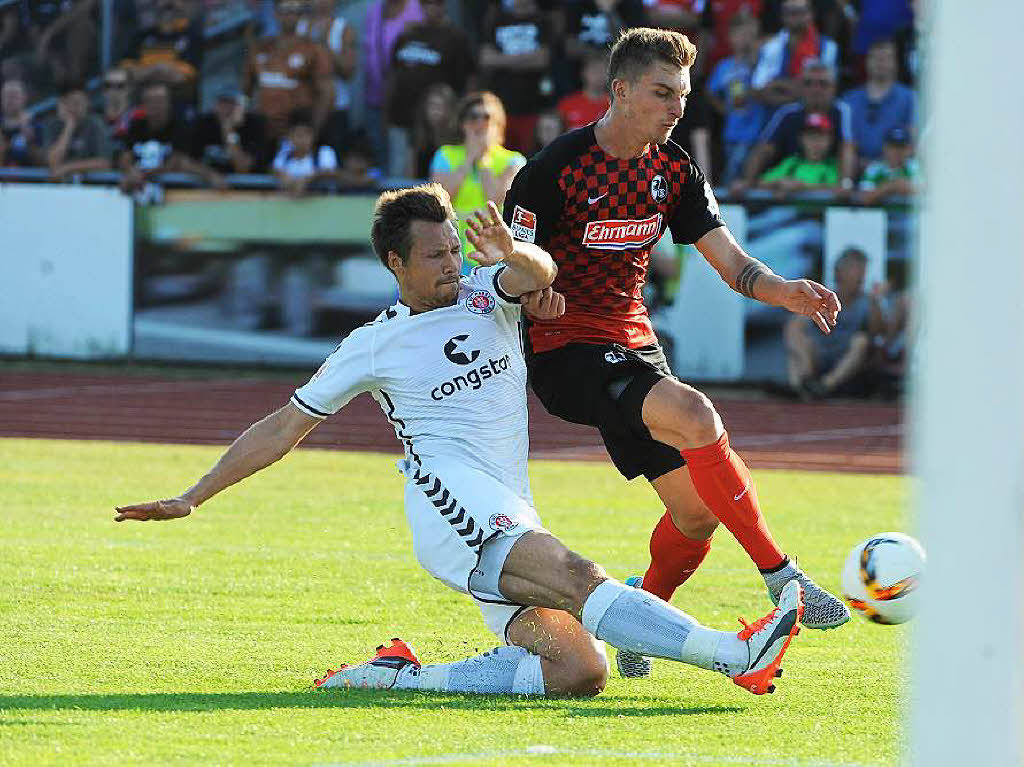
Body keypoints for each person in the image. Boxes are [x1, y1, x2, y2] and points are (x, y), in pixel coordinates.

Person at [113, 183, 805, 699]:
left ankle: (400, 677)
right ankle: (732, 654)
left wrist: (512, 251)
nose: (452, 263)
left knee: (579, 669)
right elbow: (284, 426)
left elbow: (539, 274)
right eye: (435, 255)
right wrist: (192, 495)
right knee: (579, 575)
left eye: (454, 249)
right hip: (452, 507)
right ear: (396, 263)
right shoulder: (371, 344)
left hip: (507, 505)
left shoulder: (485, 294)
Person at [500, 27, 849, 679]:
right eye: (663, 94)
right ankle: (784, 579)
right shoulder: (553, 171)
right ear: (621, 90)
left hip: (635, 348)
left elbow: (729, 260)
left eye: (682, 97)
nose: (675, 108)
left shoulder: (674, 169)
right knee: (695, 413)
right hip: (567, 351)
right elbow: (510, 269)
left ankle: (644, 614)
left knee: (696, 512)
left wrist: (786, 293)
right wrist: (529, 296)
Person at [429, 91, 525, 269]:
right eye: (473, 117)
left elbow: (496, 199)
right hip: (451, 247)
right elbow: (440, 199)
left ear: (498, 123)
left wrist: (483, 159)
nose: (480, 123)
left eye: (486, 117)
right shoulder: (445, 155)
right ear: (463, 123)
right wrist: (468, 159)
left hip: (495, 250)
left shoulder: (514, 161)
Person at [734, 58, 855, 194]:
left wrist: (846, 183)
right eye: (809, 83)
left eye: (823, 84)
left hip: (825, 188)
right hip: (786, 187)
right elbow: (763, 150)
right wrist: (747, 182)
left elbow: (847, 148)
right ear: (800, 87)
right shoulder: (788, 113)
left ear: (834, 87)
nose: (816, 89)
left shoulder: (841, 111)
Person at [384, 0, 474, 177]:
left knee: (437, 177)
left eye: (437, 3)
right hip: (402, 119)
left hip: (437, 124)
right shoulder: (407, 35)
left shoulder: (456, 38)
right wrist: (385, 114)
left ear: (444, 5)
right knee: (399, 178)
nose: (432, 7)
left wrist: (463, 114)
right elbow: (392, 76)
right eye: (427, 3)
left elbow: (470, 78)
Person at [783, 247, 874, 399]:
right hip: (819, 355)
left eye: (862, 271)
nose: (860, 276)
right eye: (855, 270)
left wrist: (875, 303)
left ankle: (824, 386)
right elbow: (795, 326)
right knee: (795, 331)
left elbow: (879, 334)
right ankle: (803, 385)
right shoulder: (824, 296)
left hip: (846, 361)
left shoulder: (868, 302)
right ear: (840, 272)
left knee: (861, 342)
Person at [242, 0, 333, 144]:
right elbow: (245, 90)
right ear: (275, 14)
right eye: (285, 10)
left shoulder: (313, 49)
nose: (290, 15)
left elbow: (326, 94)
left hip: (295, 135)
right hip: (261, 131)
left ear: (300, 15)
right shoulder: (260, 48)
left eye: (295, 11)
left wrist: (312, 132)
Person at [117, 79, 223, 196]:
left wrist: (142, 175)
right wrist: (131, 172)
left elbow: (177, 162)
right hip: (135, 188)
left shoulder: (181, 127)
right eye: (150, 101)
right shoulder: (136, 125)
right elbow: (124, 156)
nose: (155, 105)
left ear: (168, 103)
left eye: (160, 101)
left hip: (173, 192)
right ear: (144, 104)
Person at [479, 0, 553, 155]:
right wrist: (525, 60)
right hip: (501, 104)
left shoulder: (542, 20)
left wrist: (504, 60)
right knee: (499, 156)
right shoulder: (496, 19)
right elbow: (486, 58)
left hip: (533, 103)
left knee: (532, 157)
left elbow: (542, 59)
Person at [706, 10, 767, 184]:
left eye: (749, 34)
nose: (744, 39)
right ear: (730, 38)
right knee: (733, 173)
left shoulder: (761, 62)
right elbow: (710, 91)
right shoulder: (725, 66)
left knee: (752, 176)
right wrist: (723, 109)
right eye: (739, 34)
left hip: (759, 133)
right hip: (733, 133)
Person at [296, 0, 357, 160]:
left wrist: (323, 44)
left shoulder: (343, 28)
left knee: (333, 159)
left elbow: (348, 71)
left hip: (336, 108)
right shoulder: (300, 25)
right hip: (305, 106)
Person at [839, 37, 915, 164]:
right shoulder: (849, 100)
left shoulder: (909, 98)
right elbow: (845, 142)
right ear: (867, 62)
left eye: (886, 58)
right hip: (856, 171)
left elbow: (914, 140)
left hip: (895, 171)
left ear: (895, 63)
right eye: (875, 58)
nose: (881, 62)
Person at [751, 0, 838, 108]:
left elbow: (823, 90)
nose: (796, 16)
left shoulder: (828, 46)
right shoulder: (770, 47)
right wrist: (796, 89)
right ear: (783, 16)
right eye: (791, 12)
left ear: (811, 14)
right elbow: (758, 89)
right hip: (774, 112)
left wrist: (777, 84)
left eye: (801, 11)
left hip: (811, 113)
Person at [44, 79, 113, 181]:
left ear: (87, 103)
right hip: (58, 187)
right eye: (74, 102)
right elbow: (52, 162)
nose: (78, 107)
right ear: (64, 104)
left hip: (90, 187)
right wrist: (69, 127)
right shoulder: (53, 125)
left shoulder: (95, 124)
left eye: (81, 102)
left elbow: (104, 163)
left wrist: (67, 168)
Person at [757, 111, 838, 196]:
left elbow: (838, 188)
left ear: (830, 140)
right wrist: (778, 183)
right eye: (811, 137)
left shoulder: (834, 166)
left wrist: (802, 187)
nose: (815, 143)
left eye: (821, 137)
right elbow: (760, 183)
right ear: (801, 139)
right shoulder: (792, 163)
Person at [191, 88, 269, 174]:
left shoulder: (253, 125)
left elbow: (242, 168)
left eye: (232, 103)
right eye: (223, 103)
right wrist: (210, 175)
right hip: (206, 184)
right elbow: (186, 162)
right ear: (215, 106)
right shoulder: (204, 124)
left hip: (244, 185)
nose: (227, 108)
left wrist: (228, 131)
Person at [271, 107, 338, 196]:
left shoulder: (324, 152)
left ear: (313, 136)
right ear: (289, 137)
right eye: (298, 135)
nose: (302, 140)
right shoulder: (284, 154)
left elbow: (331, 172)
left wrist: (307, 179)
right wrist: (282, 176)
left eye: (306, 135)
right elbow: (275, 168)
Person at [858, 126, 918, 204]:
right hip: (881, 214)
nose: (898, 152)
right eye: (893, 147)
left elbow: (928, 192)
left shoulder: (914, 167)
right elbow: (864, 197)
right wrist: (890, 186)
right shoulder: (874, 169)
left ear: (909, 149)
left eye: (902, 147)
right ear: (885, 148)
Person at [556, 49, 610, 132]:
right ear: (584, 73)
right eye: (595, 70)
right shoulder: (567, 104)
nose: (599, 75)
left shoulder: (615, 105)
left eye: (604, 71)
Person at [410, 82, 455, 179]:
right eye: (431, 105)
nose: (435, 111)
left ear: (449, 109)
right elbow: (411, 170)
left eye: (439, 107)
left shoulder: (455, 138)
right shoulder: (419, 134)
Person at [0, 77, 43, 167]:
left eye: (14, 96)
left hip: (28, 178)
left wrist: (30, 142)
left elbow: (42, 163)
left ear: (24, 98)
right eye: (7, 95)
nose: (10, 100)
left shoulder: (36, 124)